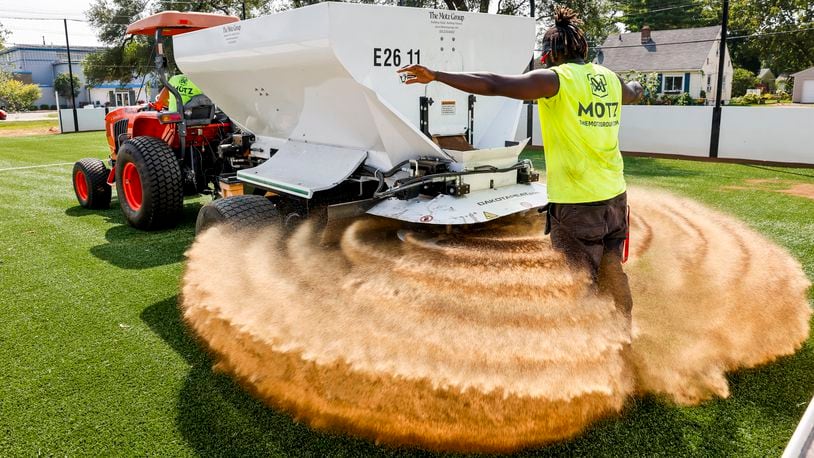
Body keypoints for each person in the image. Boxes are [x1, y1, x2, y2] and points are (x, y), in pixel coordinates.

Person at [397, 6, 643, 319]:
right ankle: (622, 333)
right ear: (582, 48)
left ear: (550, 55)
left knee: (574, 283)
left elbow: (494, 84)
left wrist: (437, 75)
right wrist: (638, 88)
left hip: (578, 203)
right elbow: (633, 91)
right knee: (611, 271)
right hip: (615, 201)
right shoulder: (608, 79)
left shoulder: (556, 80)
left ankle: (585, 349)